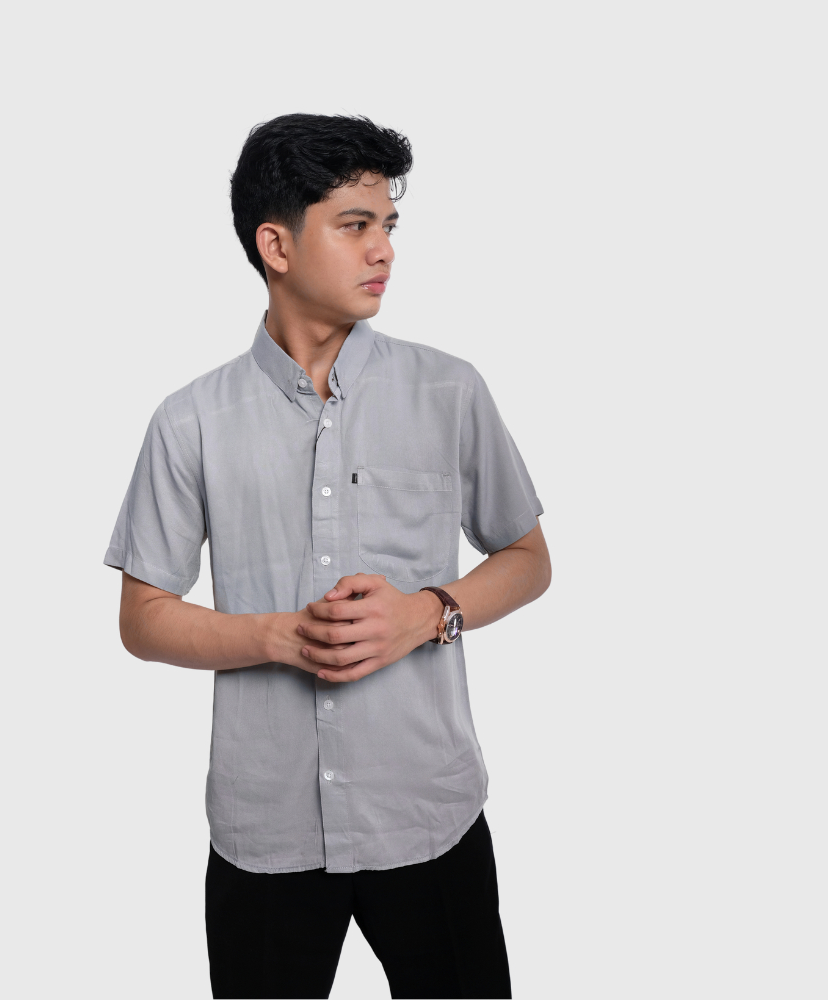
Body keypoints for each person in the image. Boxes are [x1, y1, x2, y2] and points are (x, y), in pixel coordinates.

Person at [104, 113, 551, 999]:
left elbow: (528, 556)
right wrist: (279, 638)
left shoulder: (450, 390)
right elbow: (142, 619)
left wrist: (428, 612)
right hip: (266, 830)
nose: (383, 249)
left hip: (426, 811)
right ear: (276, 244)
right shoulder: (191, 421)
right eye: (354, 225)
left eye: (388, 225)